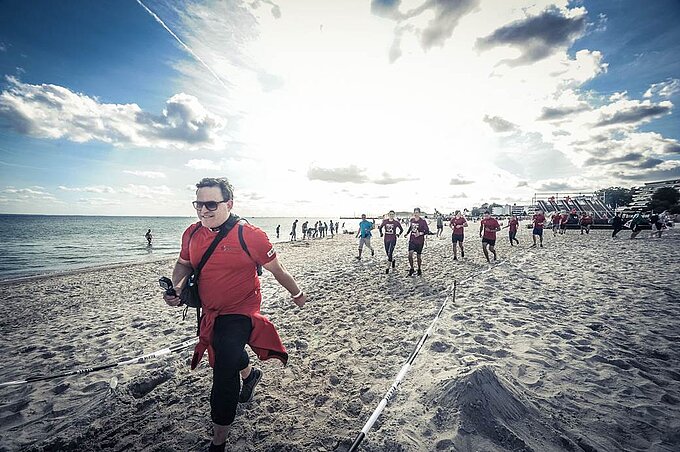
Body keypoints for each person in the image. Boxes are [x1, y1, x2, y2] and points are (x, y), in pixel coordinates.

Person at [162, 177, 307, 452]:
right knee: (223, 345)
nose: (203, 210)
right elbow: (182, 265)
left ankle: (218, 442)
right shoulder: (191, 233)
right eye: (198, 204)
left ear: (229, 204)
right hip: (210, 310)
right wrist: (177, 290)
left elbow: (278, 270)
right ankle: (250, 375)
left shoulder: (249, 235)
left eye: (211, 204)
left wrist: (297, 294)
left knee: (224, 364)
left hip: (242, 308)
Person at [404, 207, 430, 276]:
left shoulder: (422, 221)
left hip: (420, 241)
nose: (416, 214)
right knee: (410, 255)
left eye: (417, 213)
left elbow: (427, 231)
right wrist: (407, 233)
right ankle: (412, 268)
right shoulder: (412, 220)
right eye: (415, 213)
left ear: (419, 213)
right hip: (412, 240)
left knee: (418, 256)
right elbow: (410, 227)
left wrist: (420, 233)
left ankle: (419, 269)